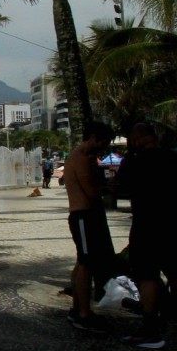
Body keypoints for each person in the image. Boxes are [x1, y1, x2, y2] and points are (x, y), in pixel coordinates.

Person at [114, 123, 177, 349]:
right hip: (176, 226)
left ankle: (151, 332)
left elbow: (121, 187)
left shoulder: (134, 161)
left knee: (147, 277)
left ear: (137, 139)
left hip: (147, 226)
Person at [64, 121, 118, 333]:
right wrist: (108, 187)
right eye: (104, 141)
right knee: (86, 264)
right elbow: (91, 192)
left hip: (82, 216)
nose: (105, 146)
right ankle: (83, 314)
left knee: (82, 262)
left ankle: (78, 308)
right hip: (84, 216)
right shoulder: (82, 158)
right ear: (94, 137)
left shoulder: (79, 156)